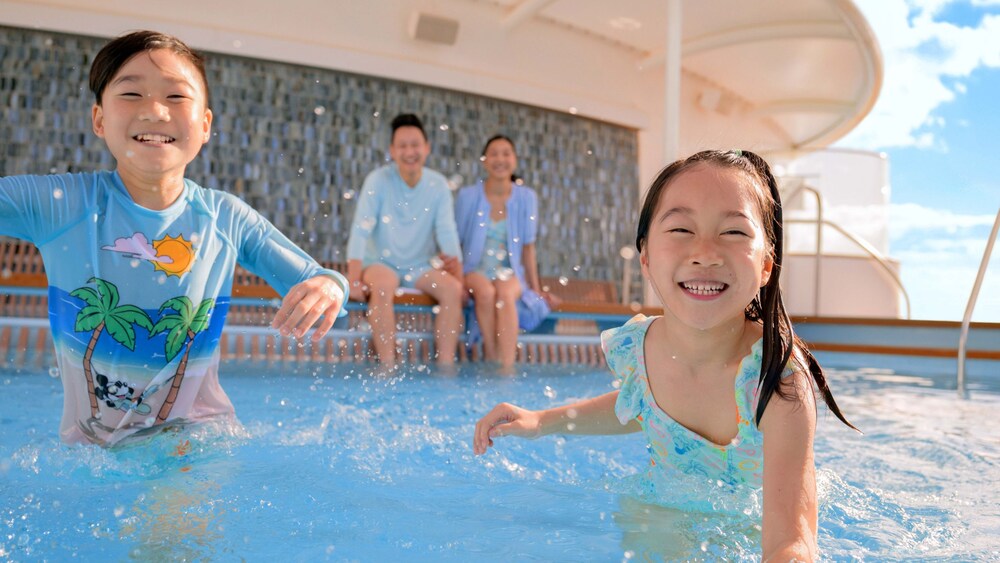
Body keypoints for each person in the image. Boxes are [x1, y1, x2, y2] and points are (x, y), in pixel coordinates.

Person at [472, 150, 857, 560]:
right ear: (646, 257)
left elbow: (790, 538)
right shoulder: (642, 347)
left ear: (765, 265)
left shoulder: (776, 381)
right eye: (680, 229)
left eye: (733, 232)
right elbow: (641, 404)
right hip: (659, 513)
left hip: (746, 530)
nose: (705, 252)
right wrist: (541, 421)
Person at [0, 31, 348, 446]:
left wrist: (328, 287)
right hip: (94, 446)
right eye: (131, 94)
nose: (155, 111)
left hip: (198, 439)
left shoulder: (224, 217)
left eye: (177, 96)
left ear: (205, 125)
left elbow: (318, 277)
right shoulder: (62, 206)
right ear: (99, 120)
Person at [345, 113, 464, 370]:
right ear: (392, 151)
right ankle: (388, 367)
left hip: (420, 266)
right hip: (380, 263)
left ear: (427, 148)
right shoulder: (378, 180)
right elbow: (360, 230)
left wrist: (459, 278)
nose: (410, 152)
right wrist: (354, 279)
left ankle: (446, 369)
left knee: (453, 290)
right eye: (402, 146)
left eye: (415, 145)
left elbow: (447, 231)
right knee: (383, 287)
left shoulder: (438, 185)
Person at [454, 135, 559, 369]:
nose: (500, 159)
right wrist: (458, 281)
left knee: (505, 294)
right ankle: (492, 358)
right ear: (484, 160)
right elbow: (456, 243)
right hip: (474, 270)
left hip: (510, 272)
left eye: (506, 153)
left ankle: (507, 368)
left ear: (515, 159)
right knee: (485, 292)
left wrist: (536, 288)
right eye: (493, 154)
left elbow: (528, 247)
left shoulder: (527, 197)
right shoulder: (468, 196)